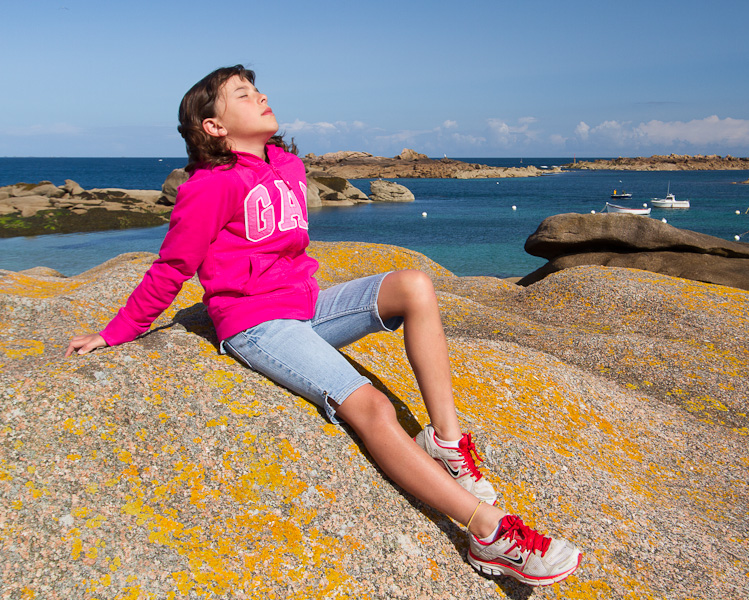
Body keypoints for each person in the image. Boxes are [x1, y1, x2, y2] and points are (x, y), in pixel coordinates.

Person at [65, 65, 581, 587]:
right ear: (214, 127)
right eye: (243, 94)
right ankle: (487, 532)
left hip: (306, 306)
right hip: (257, 323)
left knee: (414, 285)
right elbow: (173, 267)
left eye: (257, 89)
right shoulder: (208, 187)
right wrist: (115, 332)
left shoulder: (286, 164)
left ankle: (446, 442)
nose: (260, 96)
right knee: (372, 406)